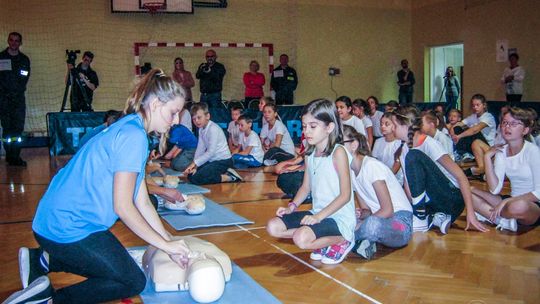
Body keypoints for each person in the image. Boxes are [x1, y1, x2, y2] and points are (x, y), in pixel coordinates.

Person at [5, 69, 190, 304]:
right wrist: (164, 244)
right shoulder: (133, 136)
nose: (176, 121)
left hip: (58, 220)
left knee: (118, 269)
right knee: (132, 281)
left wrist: (168, 241)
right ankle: (47, 301)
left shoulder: (133, 128)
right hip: (67, 226)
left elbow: (141, 201)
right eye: (173, 112)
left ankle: (41, 260)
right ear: (155, 104)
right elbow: (123, 207)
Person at [266, 99, 356, 265]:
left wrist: (318, 217)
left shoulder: (339, 153)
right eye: (304, 126)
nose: (307, 131)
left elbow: (345, 196)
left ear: (329, 127)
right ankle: (321, 238)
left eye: (313, 126)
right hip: (317, 213)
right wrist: (291, 207)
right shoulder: (310, 153)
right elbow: (305, 187)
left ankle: (342, 240)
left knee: (301, 238)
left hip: (338, 218)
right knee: (273, 226)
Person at [391, 106, 487, 234]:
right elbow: (409, 186)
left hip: (451, 197)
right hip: (434, 203)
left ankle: (422, 217)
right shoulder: (403, 150)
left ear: (406, 125)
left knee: (414, 156)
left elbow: (461, 176)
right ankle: (434, 217)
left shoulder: (430, 144)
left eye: (394, 125)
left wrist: (470, 213)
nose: (392, 128)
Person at [342, 126, 412, 260]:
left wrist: (360, 225)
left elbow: (388, 210)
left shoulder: (371, 166)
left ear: (354, 145)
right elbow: (367, 210)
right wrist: (360, 214)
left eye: (339, 144)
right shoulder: (350, 172)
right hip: (379, 218)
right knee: (343, 218)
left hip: (400, 222)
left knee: (371, 225)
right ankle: (362, 242)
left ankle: (345, 241)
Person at [472, 107, 540, 231]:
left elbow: (538, 193)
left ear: (525, 130)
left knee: (518, 207)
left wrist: (505, 202)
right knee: (468, 193)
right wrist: (487, 158)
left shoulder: (532, 151)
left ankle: (494, 216)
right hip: (510, 200)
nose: (507, 127)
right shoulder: (501, 151)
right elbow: (495, 189)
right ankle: (502, 221)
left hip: (531, 204)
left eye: (513, 124)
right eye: (505, 123)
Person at [184, 102, 243, 184]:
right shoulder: (201, 129)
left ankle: (229, 177)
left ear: (207, 116)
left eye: (199, 117)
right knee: (191, 175)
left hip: (223, 161)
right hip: (213, 160)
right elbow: (200, 149)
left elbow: (210, 152)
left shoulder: (213, 129)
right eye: (194, 119)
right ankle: (223, 173)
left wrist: (195, 163)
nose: (196, 121)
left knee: (196, 179)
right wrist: (194, 166)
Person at [0, 32, 31, 166]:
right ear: (8, 41)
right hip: (3, 100)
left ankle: (16, 156)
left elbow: (24, 78)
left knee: (18, 128)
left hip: (18, 100)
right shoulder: (1, 57)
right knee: (7, 128)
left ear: (20, 43)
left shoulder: (24, 60)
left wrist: (15, 92)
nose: (14, 43)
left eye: (17, 41)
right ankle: (9, 155)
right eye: (11, 40)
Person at [450, 94, 496, 178]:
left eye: (478, 105)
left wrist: (459, 136)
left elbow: (475, 129)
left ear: (484, 105)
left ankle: (477, 169)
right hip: (476, 145)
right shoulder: (473, 117)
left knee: (475, 136)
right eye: (473, 105)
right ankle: (479, 169)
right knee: (458, 128)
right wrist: (453, 135)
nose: (475, 107)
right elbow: (458, 124)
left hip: (487, 147)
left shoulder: (488, 117)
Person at [371, 113, 404, 185]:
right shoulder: (378, 141)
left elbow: (396, 167)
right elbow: (374, 161)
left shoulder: (400, 143)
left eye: (387, 124)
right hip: (380, 178)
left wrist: (383, 180)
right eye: (381, 124)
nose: (382, 126)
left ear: (395, 126)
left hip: (395, 180)